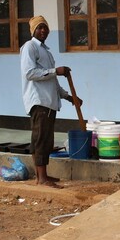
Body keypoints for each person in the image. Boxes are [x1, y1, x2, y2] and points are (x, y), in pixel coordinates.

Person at [20, 15, 82, 188]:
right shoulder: (30, 47)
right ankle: (42, 179)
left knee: (41, 140)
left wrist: (69, 97)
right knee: (42, 140)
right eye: (40, 28)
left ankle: (42, 176)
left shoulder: (46, 51)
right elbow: (30, 73)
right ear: (33, 30)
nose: (43, 31)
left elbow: (52, 81)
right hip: (39, 102)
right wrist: (56, 70)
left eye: (45, 28)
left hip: (49, 101)